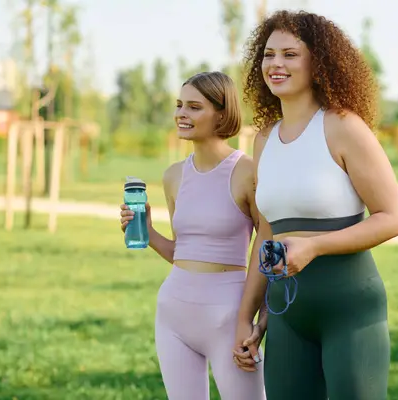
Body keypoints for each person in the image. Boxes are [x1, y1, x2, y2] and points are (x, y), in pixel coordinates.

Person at [231, 10, 398, 400]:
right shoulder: (263, 140)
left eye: (290, 54)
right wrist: (248, 318)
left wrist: (315, 246)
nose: (276, 64)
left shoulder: (343, 126)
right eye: (269, 54)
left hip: (349, 310)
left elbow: (393, 218)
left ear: (318, 62)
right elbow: (266, 233)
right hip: (285, 315)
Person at [119, 71, 266, 400]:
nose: (181, 114)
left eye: (194, 107)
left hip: (229, 315)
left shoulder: (248, 172)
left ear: (222, 113)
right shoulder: (173, 176)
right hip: (173, 312)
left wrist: (258, 317)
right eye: (179, 105)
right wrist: (146, 231)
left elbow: (265, 246)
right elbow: (182, 252)